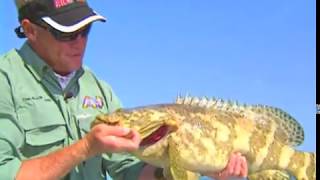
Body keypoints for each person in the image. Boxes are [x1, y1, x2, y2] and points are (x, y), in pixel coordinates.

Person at [0, 0, 248, 179]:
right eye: (66, 33)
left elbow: (128, 170)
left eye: (85, 30)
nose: (80, 42)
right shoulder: (6, 81)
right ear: (30, 30)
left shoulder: (98, 89)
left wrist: (180, 169)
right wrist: (85, 148)